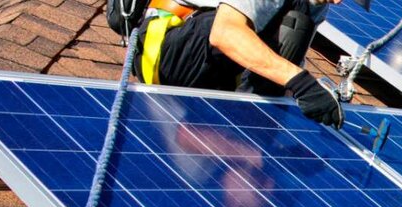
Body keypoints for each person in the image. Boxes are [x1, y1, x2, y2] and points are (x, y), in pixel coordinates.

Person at [106, 0, 368, 127]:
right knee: (290, 27)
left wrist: (305, 119)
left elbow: (286, 65)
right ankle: (247, 125)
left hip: (209, 66)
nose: (338, 1)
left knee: (297, 25)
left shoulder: (316, 4)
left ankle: (251, 124)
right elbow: (223, 32)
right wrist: (303, 83)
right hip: (167, 53)